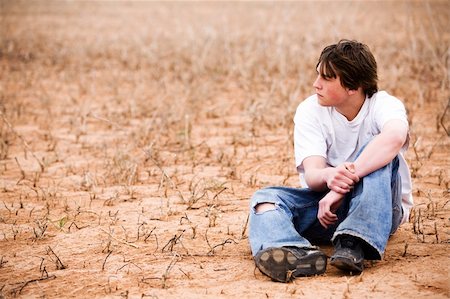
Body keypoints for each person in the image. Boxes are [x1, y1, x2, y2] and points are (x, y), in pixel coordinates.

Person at [248, 39, 413, 282]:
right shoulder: (309, 110)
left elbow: (395, 137)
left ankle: (355, 240)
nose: (316, 85)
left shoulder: (384, 105)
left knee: (380, 151)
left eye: (327, 78)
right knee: (265, 199)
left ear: (353, 86)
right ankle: (292, 251)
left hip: (381, 211)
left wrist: (343, 183)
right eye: (318, 76)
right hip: (329, 210)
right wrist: (329, 176)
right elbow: (314, 175)